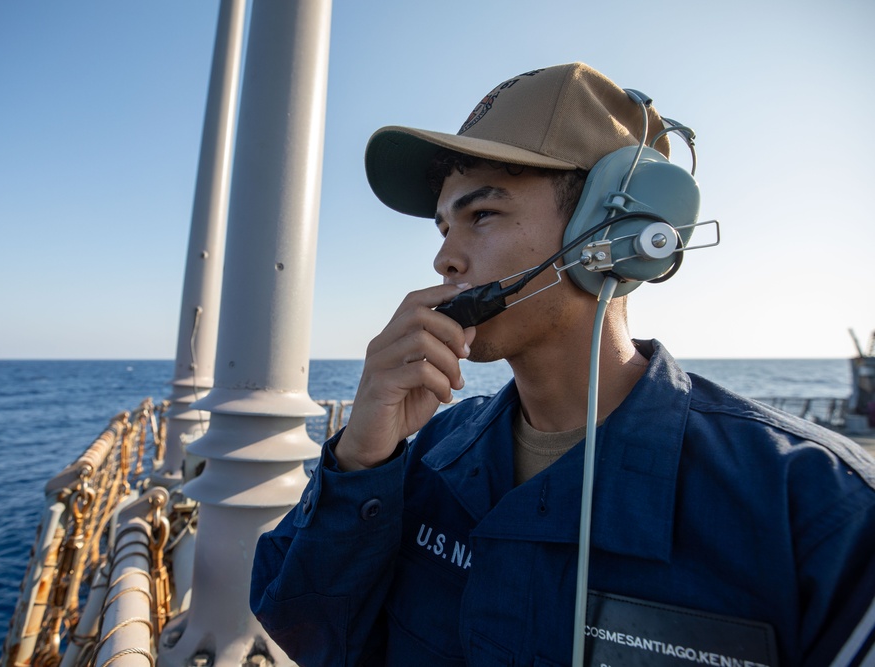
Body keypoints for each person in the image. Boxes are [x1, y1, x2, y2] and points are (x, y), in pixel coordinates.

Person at [249, 62, 875, 666]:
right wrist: (361, 459)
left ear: (617, 228)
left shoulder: (813, 508)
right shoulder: (428, 454)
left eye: (482, 215)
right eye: (443, 227)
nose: (445, 258)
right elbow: (312, 636)